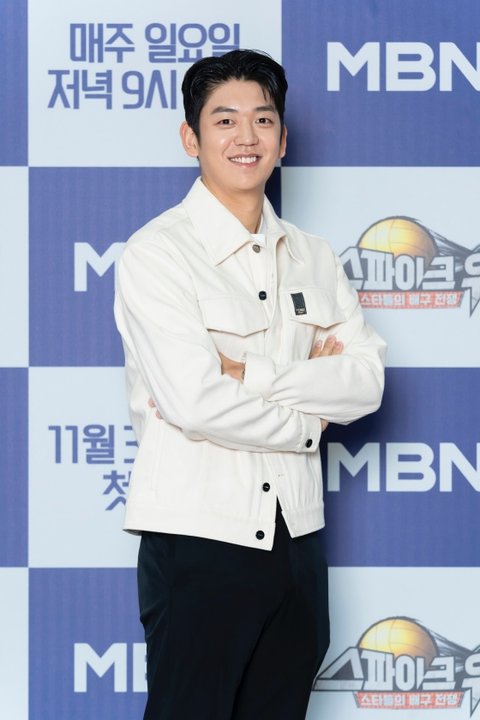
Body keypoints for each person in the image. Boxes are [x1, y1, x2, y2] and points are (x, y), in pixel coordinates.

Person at [114, 49, 386, 720]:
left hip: (298, 540)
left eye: (263, 120)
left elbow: (365, 383)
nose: (247, 137)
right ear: (191, 138)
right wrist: (310, 415)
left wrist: (253, 373)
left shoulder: (314, 254)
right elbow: (195, 401)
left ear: (283, 139)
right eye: (225, 120)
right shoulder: (158, 254)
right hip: (198, 541)